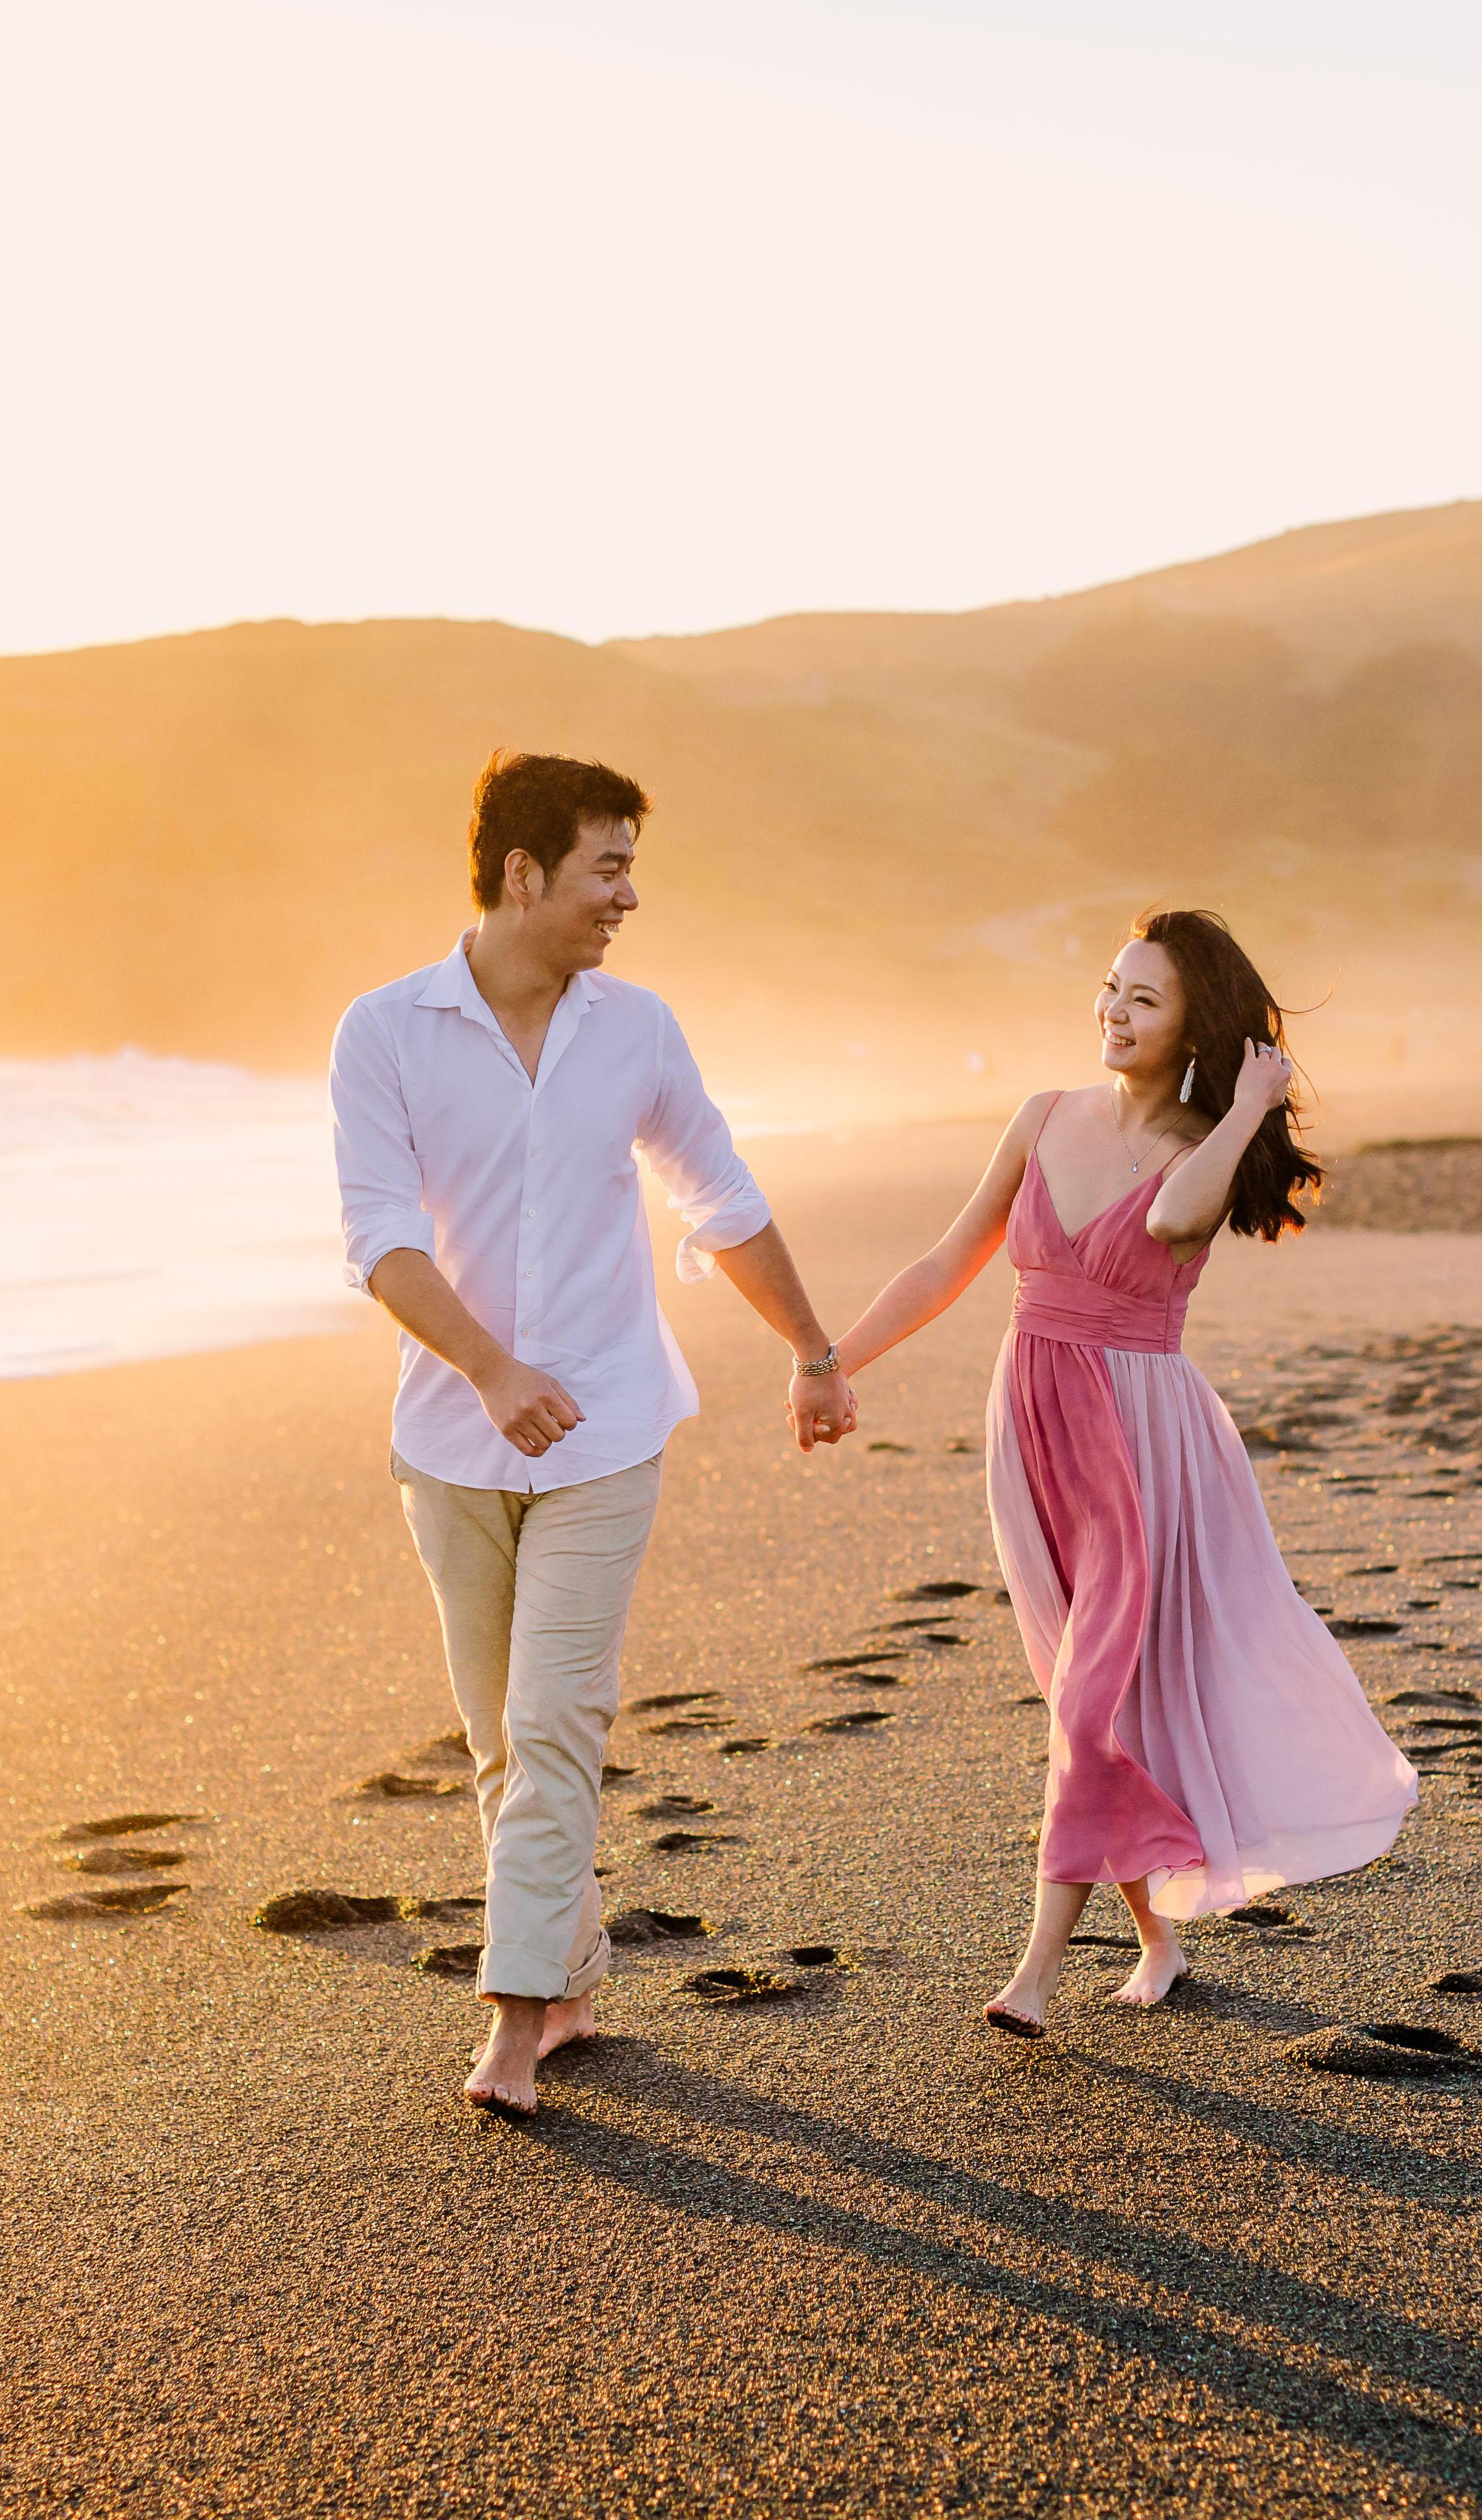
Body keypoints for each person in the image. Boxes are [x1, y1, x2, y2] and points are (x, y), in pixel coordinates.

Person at [331, 750, 856, 2116]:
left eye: (629, 866)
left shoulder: (637, 1028)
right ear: (523, 875)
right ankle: (565, 1970)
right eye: (606, 867)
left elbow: (721, 1197)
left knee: (557, 1719)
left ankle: (511, 2029)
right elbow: (379, 1240)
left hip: (609, 1426)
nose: (628, 895)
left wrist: (811, 1348)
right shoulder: (383, 1031)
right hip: (451, 1438)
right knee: (501, 1740)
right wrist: (492, 1369)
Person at [833, 908, 1416, 2035]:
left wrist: (1246, 1107)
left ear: (1194, 1022)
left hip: (1140, 1443)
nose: (1112, 1010)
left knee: (1094, 1697)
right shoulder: (1041, 1115)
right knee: (1085, 1693)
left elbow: (1172, 1217)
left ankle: (1034, 1976)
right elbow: (950, 1260)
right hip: (1032, 1424)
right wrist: (833, 1361)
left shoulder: (1203, 1145)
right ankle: (1160, 1938)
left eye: (1144, 998)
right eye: (1109, 987)